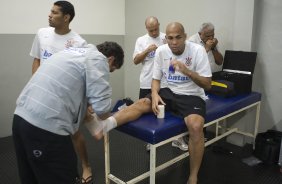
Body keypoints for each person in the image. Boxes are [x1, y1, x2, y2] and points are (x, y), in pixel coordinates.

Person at [92, 22, 212, 184]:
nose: (174, 42)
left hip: (191, 95)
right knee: (141, 102)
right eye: (170, 38)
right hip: (167, 92)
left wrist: (187, 71)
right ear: (166, 38)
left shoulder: (197, 51)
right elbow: (156, 80)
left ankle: (193, 176)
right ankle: (106, 125)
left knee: (196, 126)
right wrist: (155, 94)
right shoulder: (162, 51)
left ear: (184, 36)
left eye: (178, 37)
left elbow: (207, 84)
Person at [12, 41, 124, 184]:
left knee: (31, 178)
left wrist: (85, 104)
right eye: (111, 70)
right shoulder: (99, 59)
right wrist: (115, 116)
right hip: (46, 128)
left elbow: (68, 86)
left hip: (20, 119)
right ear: (111, 59)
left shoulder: (72, 52)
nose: (108, 72)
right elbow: (102, 111)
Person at [29, 1, 92, 183]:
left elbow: (83, 75)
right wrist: (37, 83)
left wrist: (86, 103)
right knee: (42, 129)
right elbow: (37, 60)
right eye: (51, 11)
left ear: (66, 18)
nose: (49, 14)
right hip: (42, 93)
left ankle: (86, 165)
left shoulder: (78, 42)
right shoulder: (42, 34)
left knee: (74, 133)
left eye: (54, 12)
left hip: (65, 96)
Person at [172, 22, 223, 151]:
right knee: (191, 110)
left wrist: (214, 48)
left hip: (209, 78)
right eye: (207, 35)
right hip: (193, 81)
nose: (211, 38)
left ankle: (198, 137)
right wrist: (205, 47)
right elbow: (188, 64)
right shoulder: (191, 41)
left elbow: (219, 61)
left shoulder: (212, 43)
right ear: (200, 34)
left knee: (203, 109)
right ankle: (181, 138)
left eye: (212, 35)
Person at [133, 16, 166, 99]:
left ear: (158, 25)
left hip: (164, 83)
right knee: (143, 108)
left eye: (156, 29)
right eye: (151, 31)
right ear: (146, 28)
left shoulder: (166, 38)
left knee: (163, 110)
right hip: (147, 83)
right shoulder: (141, 40)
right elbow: (136, 61)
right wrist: (147, 50)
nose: (154, 33)